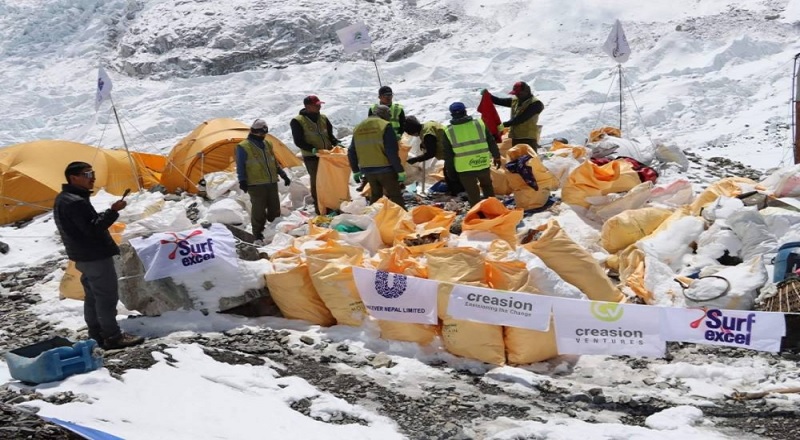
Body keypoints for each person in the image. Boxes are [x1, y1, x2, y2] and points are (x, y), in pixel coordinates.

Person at [53, 162, 144, 350]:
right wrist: (113, 211)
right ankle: (112, 336)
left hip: (82, 255)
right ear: (74, 178)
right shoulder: (76, 202)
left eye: (92, 173)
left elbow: (86, 225)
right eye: (87, 174)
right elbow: (93, 229)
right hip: (94, 255)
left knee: (93, 296)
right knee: (106, 296)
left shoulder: (65, 198)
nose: (92, 177)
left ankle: (96, 334)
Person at [236, 119, 291, 241]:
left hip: (271, 182)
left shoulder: (267, 144)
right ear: (254, 131)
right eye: (260, 132)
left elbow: (273, 162)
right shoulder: (243, 146)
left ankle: (273, 230)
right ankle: (257, 234)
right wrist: (242, 180)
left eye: (263, 133)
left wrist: (283, 175)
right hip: (256, 184)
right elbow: (240, 165)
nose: (262, 135)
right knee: (259, 210)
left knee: (274, 207)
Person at [442, 102, 502, 207]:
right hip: (482, 163)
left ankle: (477, 216)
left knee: (473, 193)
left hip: (464, 169)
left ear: (452, 114)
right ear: (465, 111)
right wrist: (496, 156)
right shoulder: (479, 124)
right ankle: (493, 210)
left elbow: (448, 155)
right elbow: (491, 141)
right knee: (487, 187)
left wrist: (450, 172)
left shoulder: (448, 131)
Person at [290, 95, 342, 214]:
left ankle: (332, 204)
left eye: (320, 105)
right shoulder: (298, 121)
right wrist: (312, 149)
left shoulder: (323, 118)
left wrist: (336, 143)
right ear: (308, 107)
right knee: (317, 182)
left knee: (330, 180)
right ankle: (320, 207)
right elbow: (298, 141)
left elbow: (330, 136)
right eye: (316, 105)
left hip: (327, 156)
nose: (319, 107)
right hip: (312, 157)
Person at [348, 104, 406, 209]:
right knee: (395, 195)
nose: (389, 117)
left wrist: (356, 170)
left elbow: (352, 150)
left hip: (367, 169)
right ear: (384, 114)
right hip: (385, 168)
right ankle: (403, 219)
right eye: (389, 114)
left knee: (376, 194)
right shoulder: (384, 125)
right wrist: (399, 170)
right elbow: (391, 151)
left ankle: (371, 218)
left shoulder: (358, 127)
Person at [404, 115, 464, 196]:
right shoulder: (428, 125)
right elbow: (436, 139)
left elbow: (430, 153)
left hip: (452, 154)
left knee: (451, 175)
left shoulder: (427, 134)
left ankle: (459, 194)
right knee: (449, 174)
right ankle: (458, 193)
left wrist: (415, 159)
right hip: (456, 150)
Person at [482, 81, 545, 151]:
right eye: (516, 94)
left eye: (519, 93)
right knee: (517, 160)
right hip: (515, 137)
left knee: (529, 160)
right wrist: (488, 95)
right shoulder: (516, 100)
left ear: (526, 92)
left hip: (528, 139)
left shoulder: (536, 104)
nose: (517, 95)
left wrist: (505, 124)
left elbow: (521, 118)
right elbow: (499, 101)